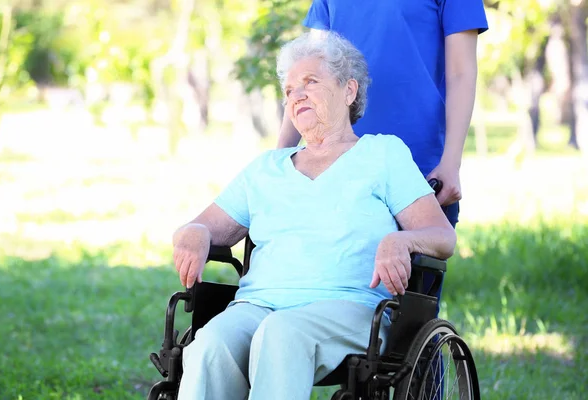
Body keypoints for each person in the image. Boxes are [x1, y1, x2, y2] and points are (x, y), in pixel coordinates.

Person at [173, 32, 456, 400]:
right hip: (259, 305)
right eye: (289, 90)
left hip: (350, 309)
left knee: (281, 333)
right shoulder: (265, 168)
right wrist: (194, 232)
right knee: (210, 342)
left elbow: (442, 236)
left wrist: (402, 239)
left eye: (310, 82)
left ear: (348, 91)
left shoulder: (383, 155)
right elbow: (201, 226)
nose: (297, 96)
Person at [277, 0, 489, 228]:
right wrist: (278, 160)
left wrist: (451, 163)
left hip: (419, 171)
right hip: (334, 169)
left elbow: (461, 74)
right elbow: (307, 76)